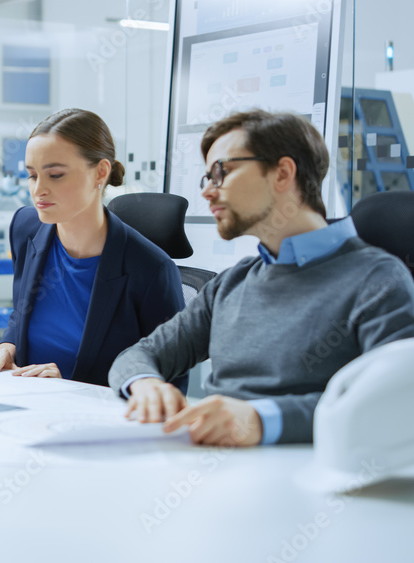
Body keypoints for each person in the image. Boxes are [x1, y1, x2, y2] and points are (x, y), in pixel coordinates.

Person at [109, 109, 414, 447]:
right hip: (212, 467)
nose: (208, 191)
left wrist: (261, 419)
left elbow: (393, 404)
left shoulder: (379, 280)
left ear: (282, 173)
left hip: (310, 480)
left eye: (221, 172)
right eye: (206, 178)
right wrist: (146, 383)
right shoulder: (231, 283)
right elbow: (138, 356)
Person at [0, 109, 184, 386]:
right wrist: (8, 345)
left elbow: (170, 384)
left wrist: (72, 385)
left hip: (99, 421)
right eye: (33, 175)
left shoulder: (151, 269)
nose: (38, 190)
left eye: (56, 175)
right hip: (27, 401)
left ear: (100, 172)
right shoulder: (26, 227)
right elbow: (22, 311)